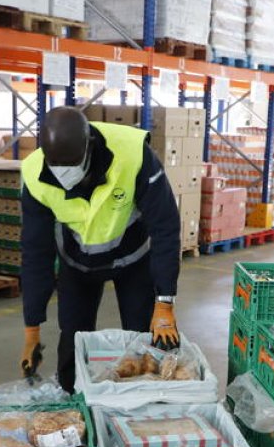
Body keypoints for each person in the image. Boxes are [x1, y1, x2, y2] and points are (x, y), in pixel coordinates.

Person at [18, 106, 182, 393]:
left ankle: (142, 404)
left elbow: (165, 227)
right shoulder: (34, 175)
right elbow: (35, 252)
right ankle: (73, 405)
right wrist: (32, 327)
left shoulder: (133, 155)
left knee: (144, 341)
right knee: (72, 341)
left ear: (89, 147)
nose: (63, 172)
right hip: (77, 264)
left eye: (70, 164)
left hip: (133, 260)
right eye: (55, 164)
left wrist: (165, 301)